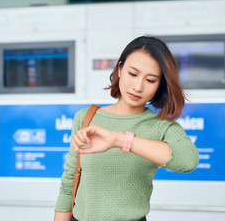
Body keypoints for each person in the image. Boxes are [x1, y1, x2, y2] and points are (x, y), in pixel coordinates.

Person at [54, 36, 199, 221]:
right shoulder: (86, 117)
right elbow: (69, 182)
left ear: (160, 85)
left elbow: (188, 161)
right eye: (133, 73)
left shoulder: (161, 126)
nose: (138, 87)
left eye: (151, 80)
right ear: (120, 68)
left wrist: (120, 140)